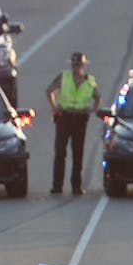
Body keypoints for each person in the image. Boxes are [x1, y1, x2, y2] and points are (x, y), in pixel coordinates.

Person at [44, 52, 99, 195]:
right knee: (60, 152)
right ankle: (57, 186)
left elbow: (97, 97)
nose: (77, 68)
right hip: (64, 117)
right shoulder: (64, 77)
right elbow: (49, 90)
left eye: (79, 65)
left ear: (84, 65)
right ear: (71, 65)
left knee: (78, 153)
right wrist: (54, 107)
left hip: (80, 119)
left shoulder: (89, 80)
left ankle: (76, 186)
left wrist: (92, 109)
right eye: (74, 65)